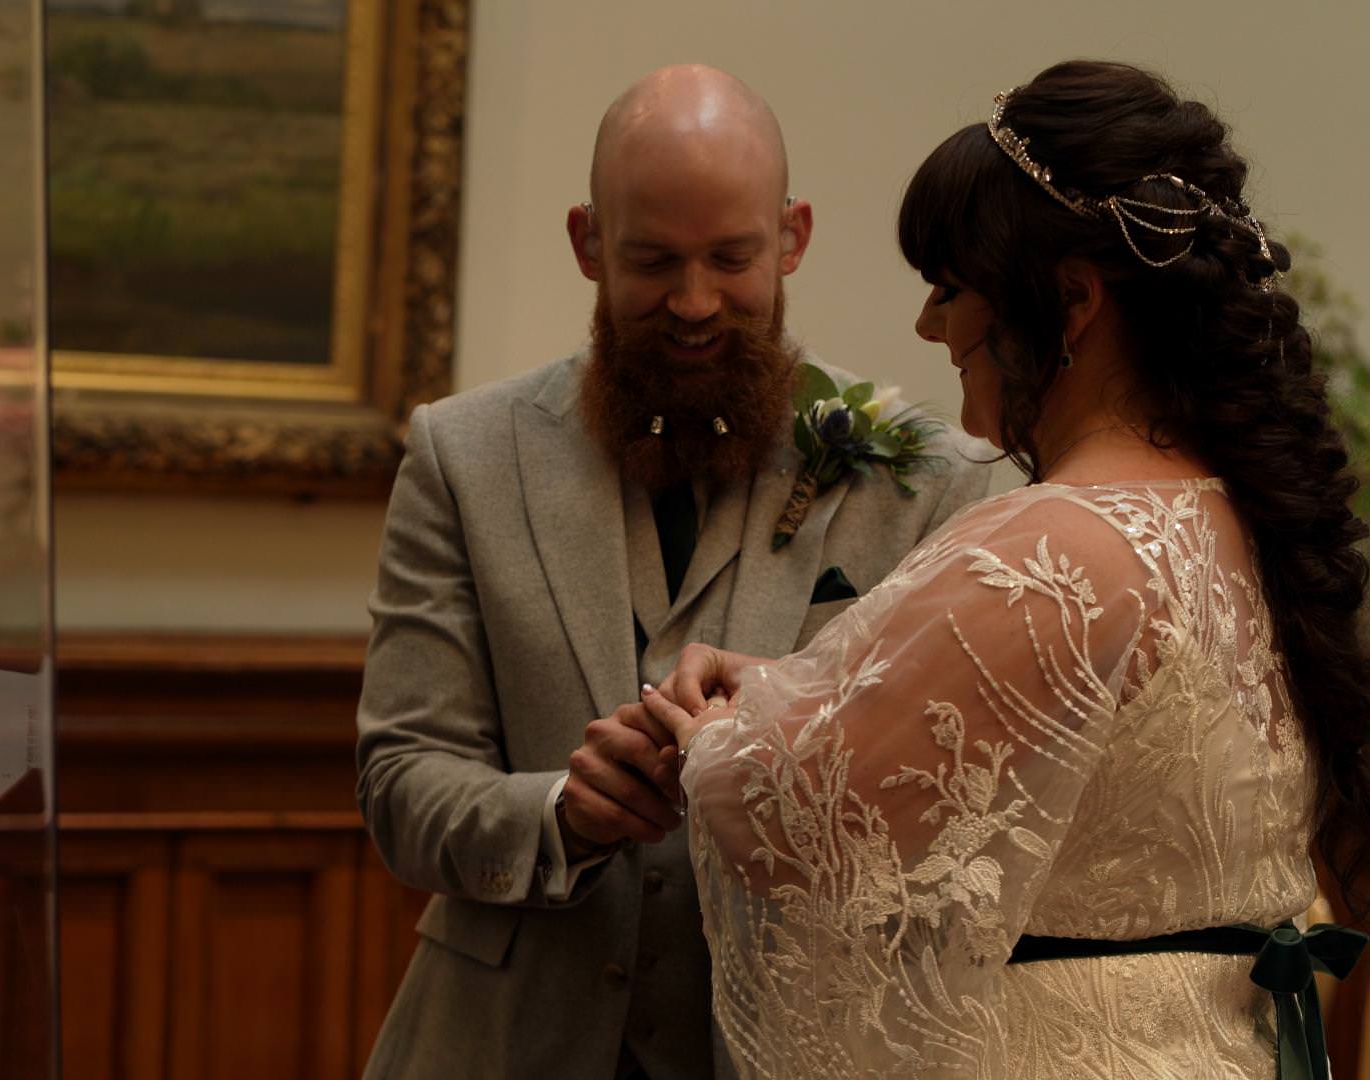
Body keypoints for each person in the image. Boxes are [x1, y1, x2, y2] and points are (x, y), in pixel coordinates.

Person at [629, 60, 1370, 1079]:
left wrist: (709, 738)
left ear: (1070, 300)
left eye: (951, 288)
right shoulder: (1240, 520)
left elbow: (797, 832)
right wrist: (773, 688)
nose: (930, 326)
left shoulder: (1050, 548)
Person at [353, 64, 992, 1080]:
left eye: (731, 259)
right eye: (652, 261)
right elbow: (399, 786)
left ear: (792, 237)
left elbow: (963, 809)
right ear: (588, 242)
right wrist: (556, 812)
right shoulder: (461, 457)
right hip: (501, 1046)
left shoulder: (930, 484)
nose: (695, 303)